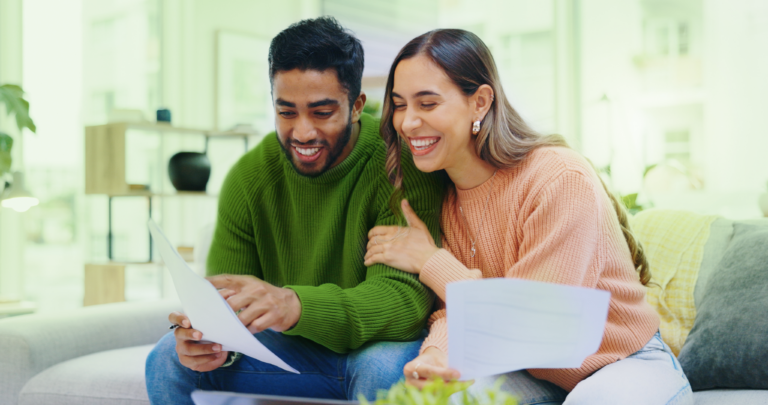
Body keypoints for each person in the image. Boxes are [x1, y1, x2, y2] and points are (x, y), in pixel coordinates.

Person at [363, 29, 693, 405]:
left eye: (427, 103)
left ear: (481, 103)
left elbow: (533, 321)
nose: (406, 123)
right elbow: (456, 313)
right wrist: (437, 356)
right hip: (532, 372)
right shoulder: (445, 198)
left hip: (623, 363)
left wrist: (431, 261)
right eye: (400, 104)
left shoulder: (557, 178)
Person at [145, 17, 445, 404]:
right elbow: (228, 301)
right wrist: (212, 341)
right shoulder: (250, 177)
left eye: (321, 112)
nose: (303, 132)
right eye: (287, 112)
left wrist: (296, 305)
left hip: (374, 348)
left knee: (381, 369)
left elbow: (403, 303)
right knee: (165, 358)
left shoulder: (397, 163)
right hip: (291, 353)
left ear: (356, 106)